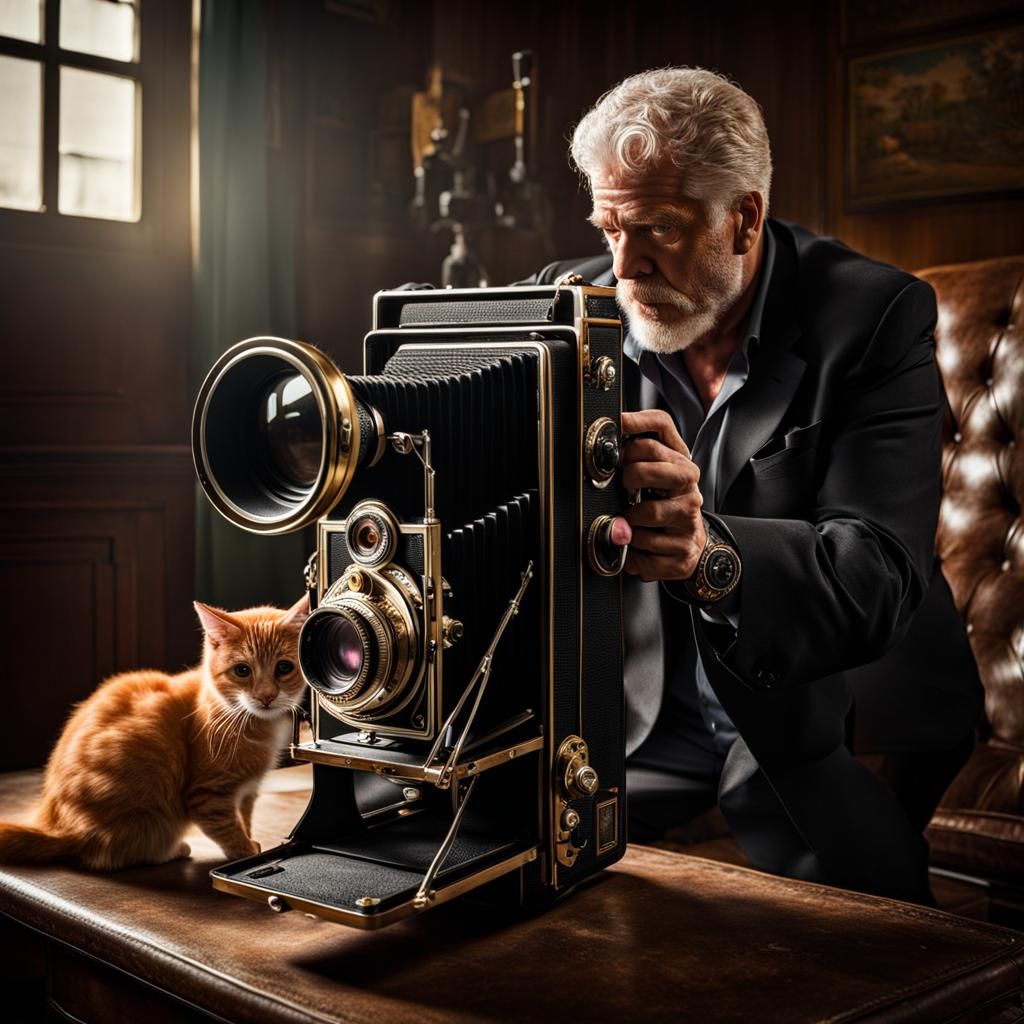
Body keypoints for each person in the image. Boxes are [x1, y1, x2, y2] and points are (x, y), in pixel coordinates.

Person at [528, 67, 980, 904]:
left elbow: (877, 570)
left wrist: (708, 554)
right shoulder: (573, 302)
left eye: (659, 226)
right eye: (608, 225)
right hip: (643, 714)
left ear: (745, 218)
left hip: (837, 707)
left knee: (871, 945)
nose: (624, 264)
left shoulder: (877, 315)